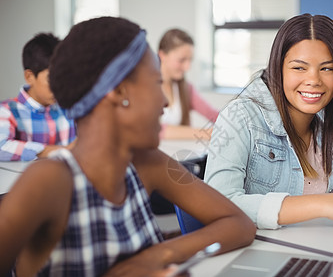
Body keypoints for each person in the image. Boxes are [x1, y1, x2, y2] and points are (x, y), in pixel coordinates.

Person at [0, 17, 255, 276]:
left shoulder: (149, 162)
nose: (165, 102)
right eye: (157, 84)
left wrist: (157, 256)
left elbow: (239, 223)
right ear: (119, 92)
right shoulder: (49, 181)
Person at [204, 13, 333, 230]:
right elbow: (218, 205)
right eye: (299, 67)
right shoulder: (241, 117)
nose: (314, 80)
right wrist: (324, 205)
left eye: (327, 68)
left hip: (317, 247)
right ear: (278, 69)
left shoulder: (324, 117)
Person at [0, 33, 76, 161]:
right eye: (51, 79)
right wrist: (58, 151)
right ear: (29, 77)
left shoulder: (70, 108)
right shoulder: (7, 111)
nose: (59, 86)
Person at [158, 28, 219, 140]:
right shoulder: (146, 89)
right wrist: (206, 133)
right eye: (181, 60)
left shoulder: (186, 89)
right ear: (162, 55)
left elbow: (214, 115)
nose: (187, 67)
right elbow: (155, 130)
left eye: (190, 60)